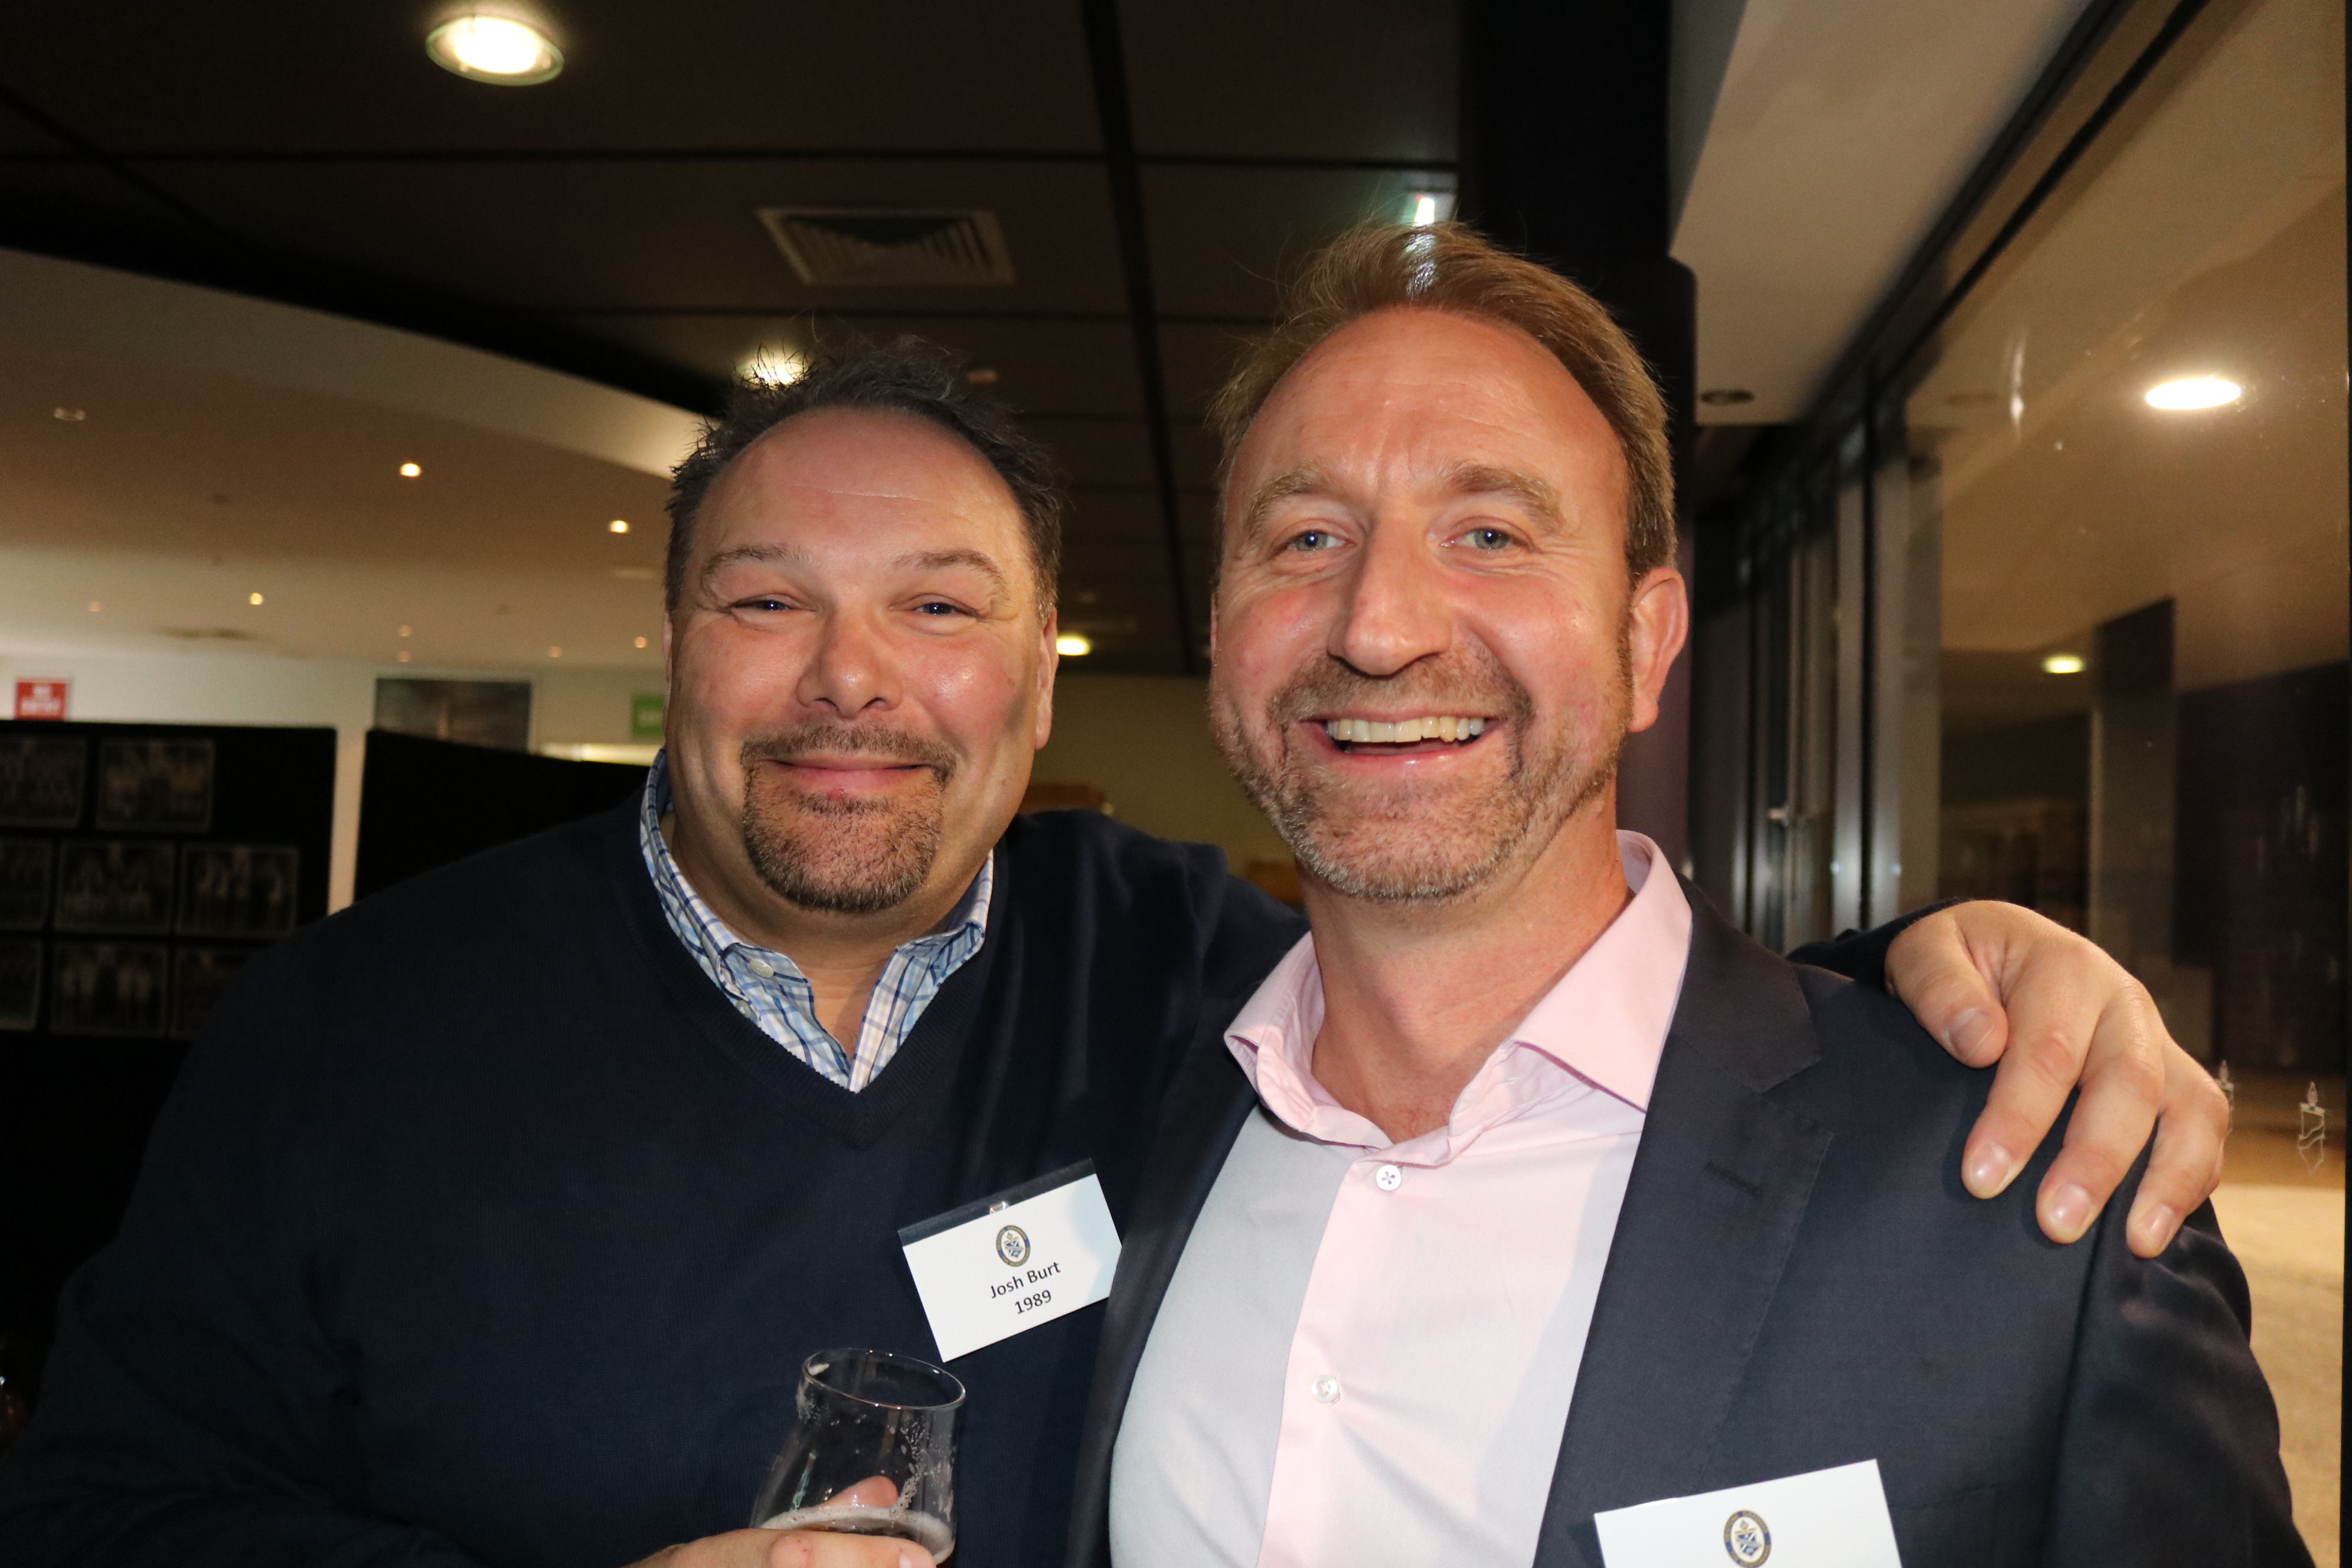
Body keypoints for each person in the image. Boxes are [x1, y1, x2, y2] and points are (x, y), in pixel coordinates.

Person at [0, 337, 2229, 1568]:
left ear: (1042, 673)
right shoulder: (354, 1027)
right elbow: (95, 1507)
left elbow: (1521, 968)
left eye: (941, 605)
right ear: (672, 640)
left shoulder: (1169, 970)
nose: (851, 679)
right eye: (769, 601)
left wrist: (1940, 966)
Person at [1076, 225, 2302, 1568]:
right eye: (1308, 536)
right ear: (1222, 638)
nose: (1380, 626)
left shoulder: (2043, 1190)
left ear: (1646, 640)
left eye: (1490, 533)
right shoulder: (1132, 1117)